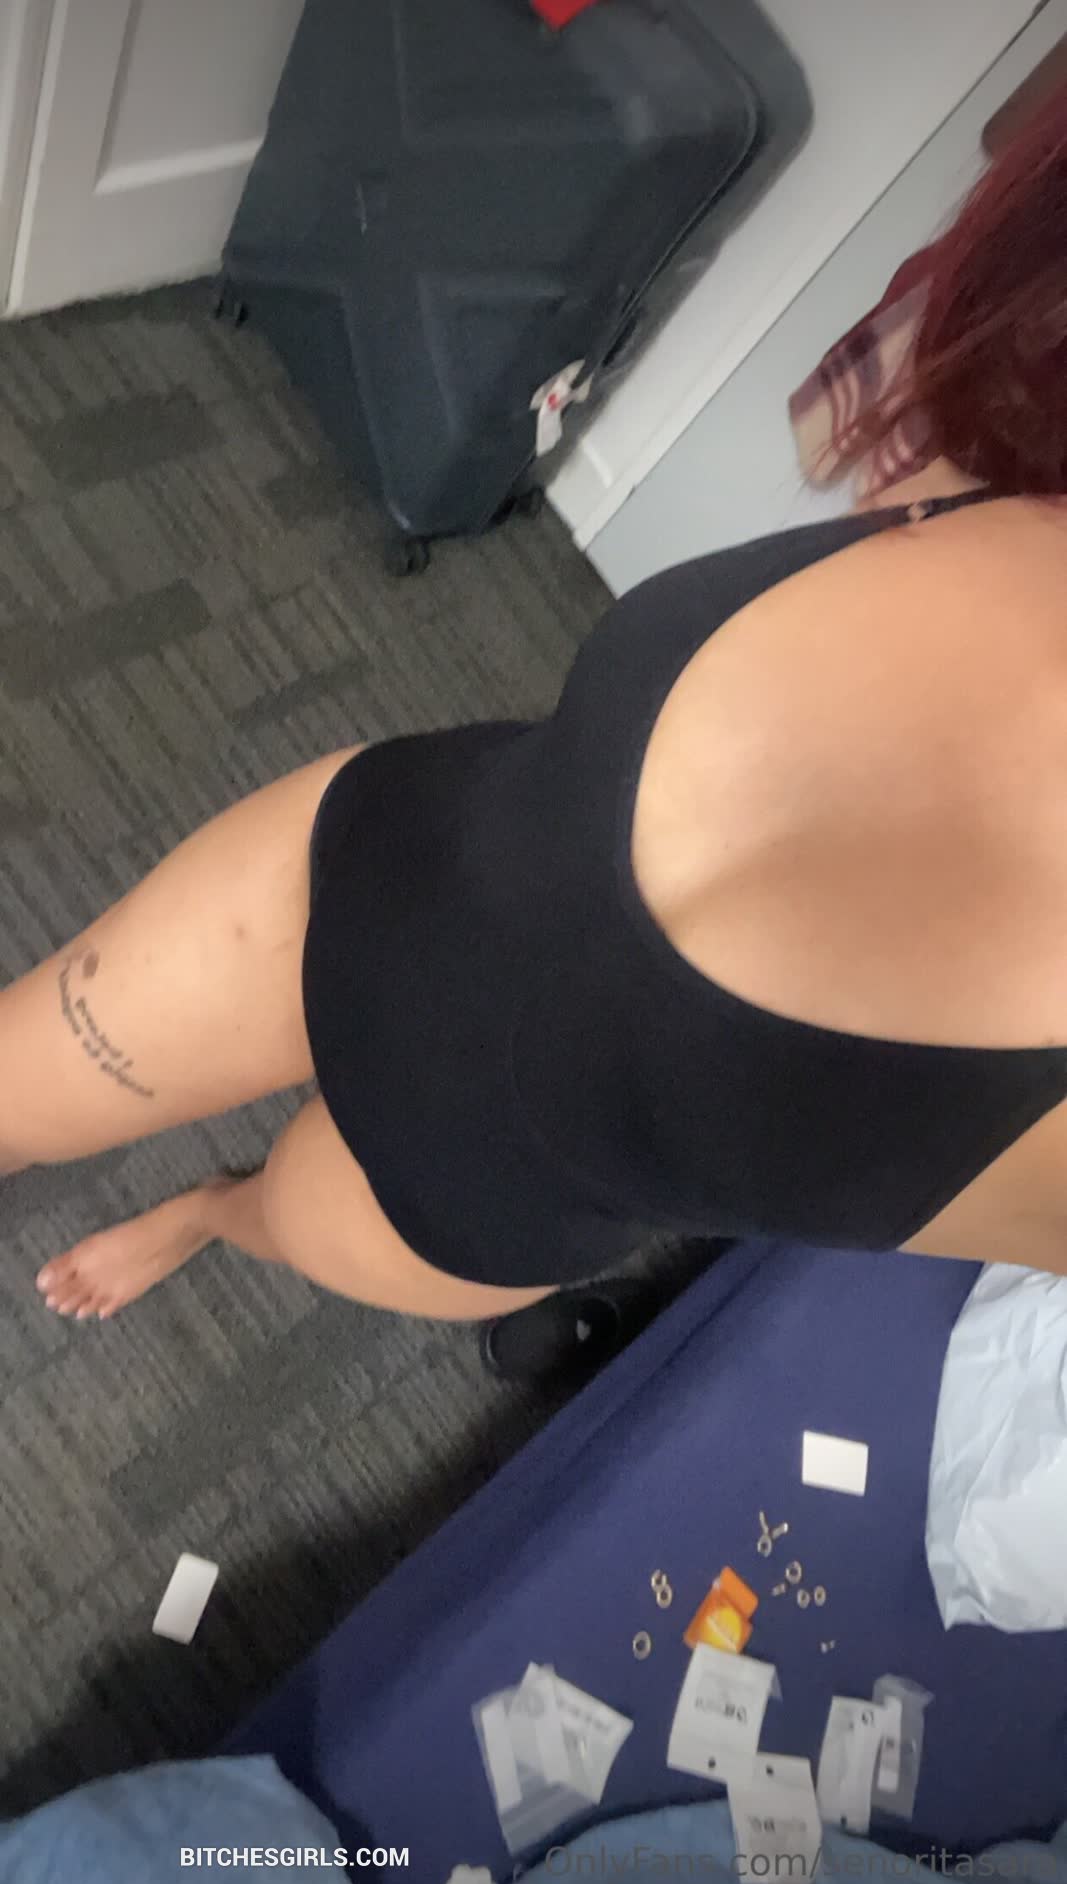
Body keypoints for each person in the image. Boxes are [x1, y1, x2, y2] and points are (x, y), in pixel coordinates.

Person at [18, 88, 1067, 1327]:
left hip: (473, 1198)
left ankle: (204, 1210)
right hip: (370, 871)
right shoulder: (1026, 407)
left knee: (274, 1219)